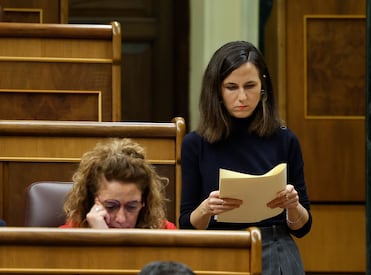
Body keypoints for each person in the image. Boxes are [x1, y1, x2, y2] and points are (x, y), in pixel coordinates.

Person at [179, 41, 312, 274]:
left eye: (250, 86)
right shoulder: (195, 144)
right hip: (217, 250)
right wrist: (207, 208)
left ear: (263, 88)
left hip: (274, 247)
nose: (242, 97)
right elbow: (185, 223)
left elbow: (303, 227)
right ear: (217, 91)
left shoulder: (284, 139)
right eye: (232, 87)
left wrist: (293, 206)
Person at [61, 138, 176, 229]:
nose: (121, 219)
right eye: (111, 206)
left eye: (131, 207)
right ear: (92, 200)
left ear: (144, 202)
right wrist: (99, 236)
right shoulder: (67, 238)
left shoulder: (165, 233)